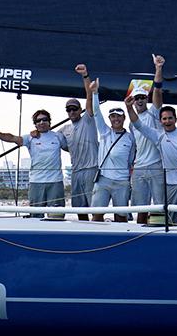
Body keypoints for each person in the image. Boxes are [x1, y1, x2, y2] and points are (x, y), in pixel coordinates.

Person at [125, 99, 177, 226]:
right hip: (171, 184)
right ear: (160, 121)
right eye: (164, 119)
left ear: (175, 119)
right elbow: (138, 125)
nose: (167, 121)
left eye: (170, 118)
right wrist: (129, 107)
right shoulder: (158, 135)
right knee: (170, 221)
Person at [0, 110, 69, 219]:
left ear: (49, 122)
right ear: (35, 124)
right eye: (38, 120)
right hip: (36, 182)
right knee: (35, 216)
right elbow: (12, 138)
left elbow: (71, 148)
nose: (42, 122)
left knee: (57, 216)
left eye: (45, 120)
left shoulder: (58, 136)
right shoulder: (30, 138)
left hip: (56, 181)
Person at [53, 64, 98, 221]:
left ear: (80, 110)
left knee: (95, 207)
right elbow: (51, 139)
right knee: (79, 207)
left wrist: (85, 75)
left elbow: (89, 95)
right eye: (69, 110)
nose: (71, 112)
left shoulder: (88, 119)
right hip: (75, 171)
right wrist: (36, 132)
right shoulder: (64, 129)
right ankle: (84, 232)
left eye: (74, 109)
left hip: (91, 169)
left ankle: (98, 232)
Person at [89, 78, 136, 223]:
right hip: (103, 179)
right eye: (113, 116)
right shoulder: (104, 132)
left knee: (121, 216)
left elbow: (131, 159)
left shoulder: (130, 137)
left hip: (122, 181)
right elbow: (96, 112)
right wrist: (95, 93)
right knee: (97, 215)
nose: (116, 119)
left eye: (119, 116)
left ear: (124, 118)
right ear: (109, 119)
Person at [129, 54, 165, 224]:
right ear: (133, 102)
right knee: (140, 207)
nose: (140, 100)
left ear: (147, 99)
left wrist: (158, 68)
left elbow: (157, 89)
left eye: (142, 97)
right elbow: (134, 147)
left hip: (156, 166)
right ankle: (138, 233)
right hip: (139, 168)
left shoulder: (154, 113)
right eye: (137, 98)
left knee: (159, 206)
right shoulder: (131, 123)